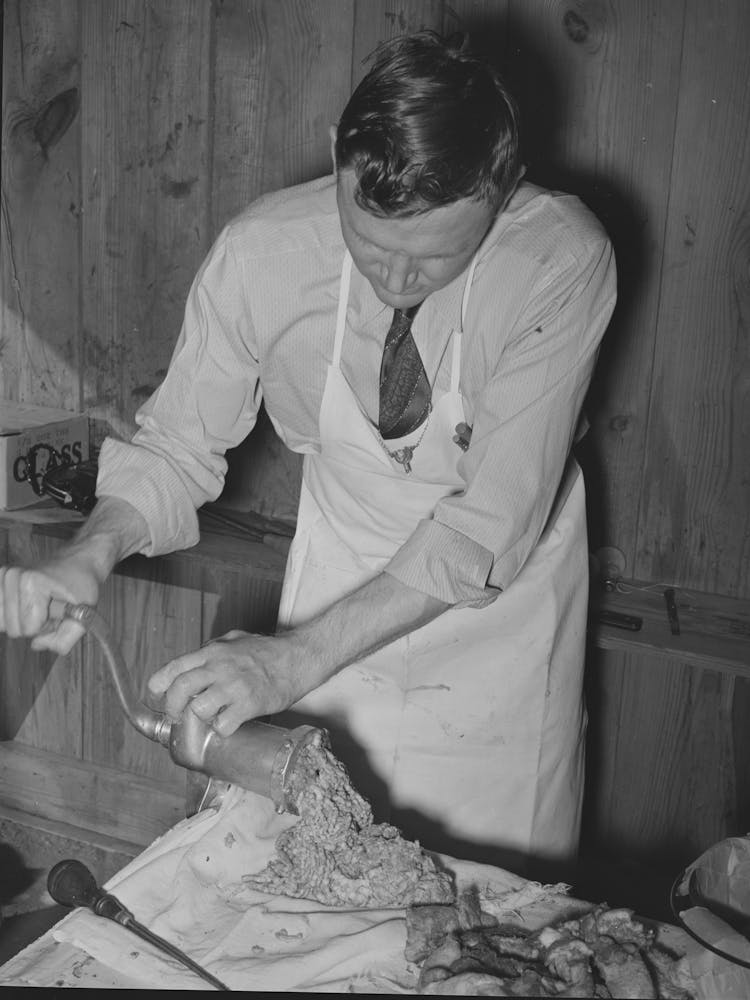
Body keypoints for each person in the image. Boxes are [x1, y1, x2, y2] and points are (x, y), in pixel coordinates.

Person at [0, 31, 616, 871]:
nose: (397, 280)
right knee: (305, 871)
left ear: (501, 192)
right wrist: (90, 552)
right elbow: (179, 447)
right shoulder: (262, 255)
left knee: (495, 911)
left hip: (503, 624)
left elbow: (489, 524)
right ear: (338, 160)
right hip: (339, 580)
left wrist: (292, 662)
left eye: (437, 255)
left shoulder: (559, 259)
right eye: (370, 242)